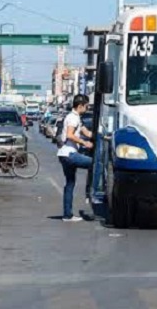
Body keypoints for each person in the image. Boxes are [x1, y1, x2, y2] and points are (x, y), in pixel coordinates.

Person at [57, 94, 94, 222]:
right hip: (69, 154)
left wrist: (97, 136)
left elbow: (87, 133)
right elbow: (69, 135)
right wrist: (85, 143)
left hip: (63, 155)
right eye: (86, 106)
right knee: (95, 165)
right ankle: (91, 194)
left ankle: (67, 215)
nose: (88, 108)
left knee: (70, 184)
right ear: (80, 106)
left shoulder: (77, 117)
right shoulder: (73, 118)